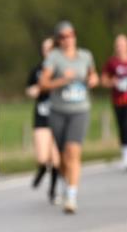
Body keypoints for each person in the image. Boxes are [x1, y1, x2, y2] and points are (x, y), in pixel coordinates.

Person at [39, 21, 98, 214]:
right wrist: (62, 80)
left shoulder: (85, 56)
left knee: (73, 152)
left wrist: (93, 80)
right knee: (63, 157)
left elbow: (93, 75)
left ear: (75, 36)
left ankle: (71, 196)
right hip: (58, 111)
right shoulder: (54, 58)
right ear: (58, 40)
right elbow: (43, 83)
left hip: (80, 110)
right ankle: (67, 182)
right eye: (63, 37)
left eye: (70, 35)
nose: (68, 39)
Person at [25, 37, 60, 202]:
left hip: (59, 115)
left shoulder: (60, 68)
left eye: (50, 48)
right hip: (42, 115)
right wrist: (38, 88)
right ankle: (41, 168)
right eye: (45, 48)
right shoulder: (37, 70)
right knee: (42, 156)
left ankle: (53, 190)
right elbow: (29, 90)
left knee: (55, 157)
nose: (47, 51)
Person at [100, 34, 127, 171]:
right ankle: (124, 154)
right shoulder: (111, 62)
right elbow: (103, 80)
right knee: (121, 126)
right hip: (117, 99)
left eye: (122, 45)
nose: (120, 48)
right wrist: (112, 82)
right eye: (118, 45)